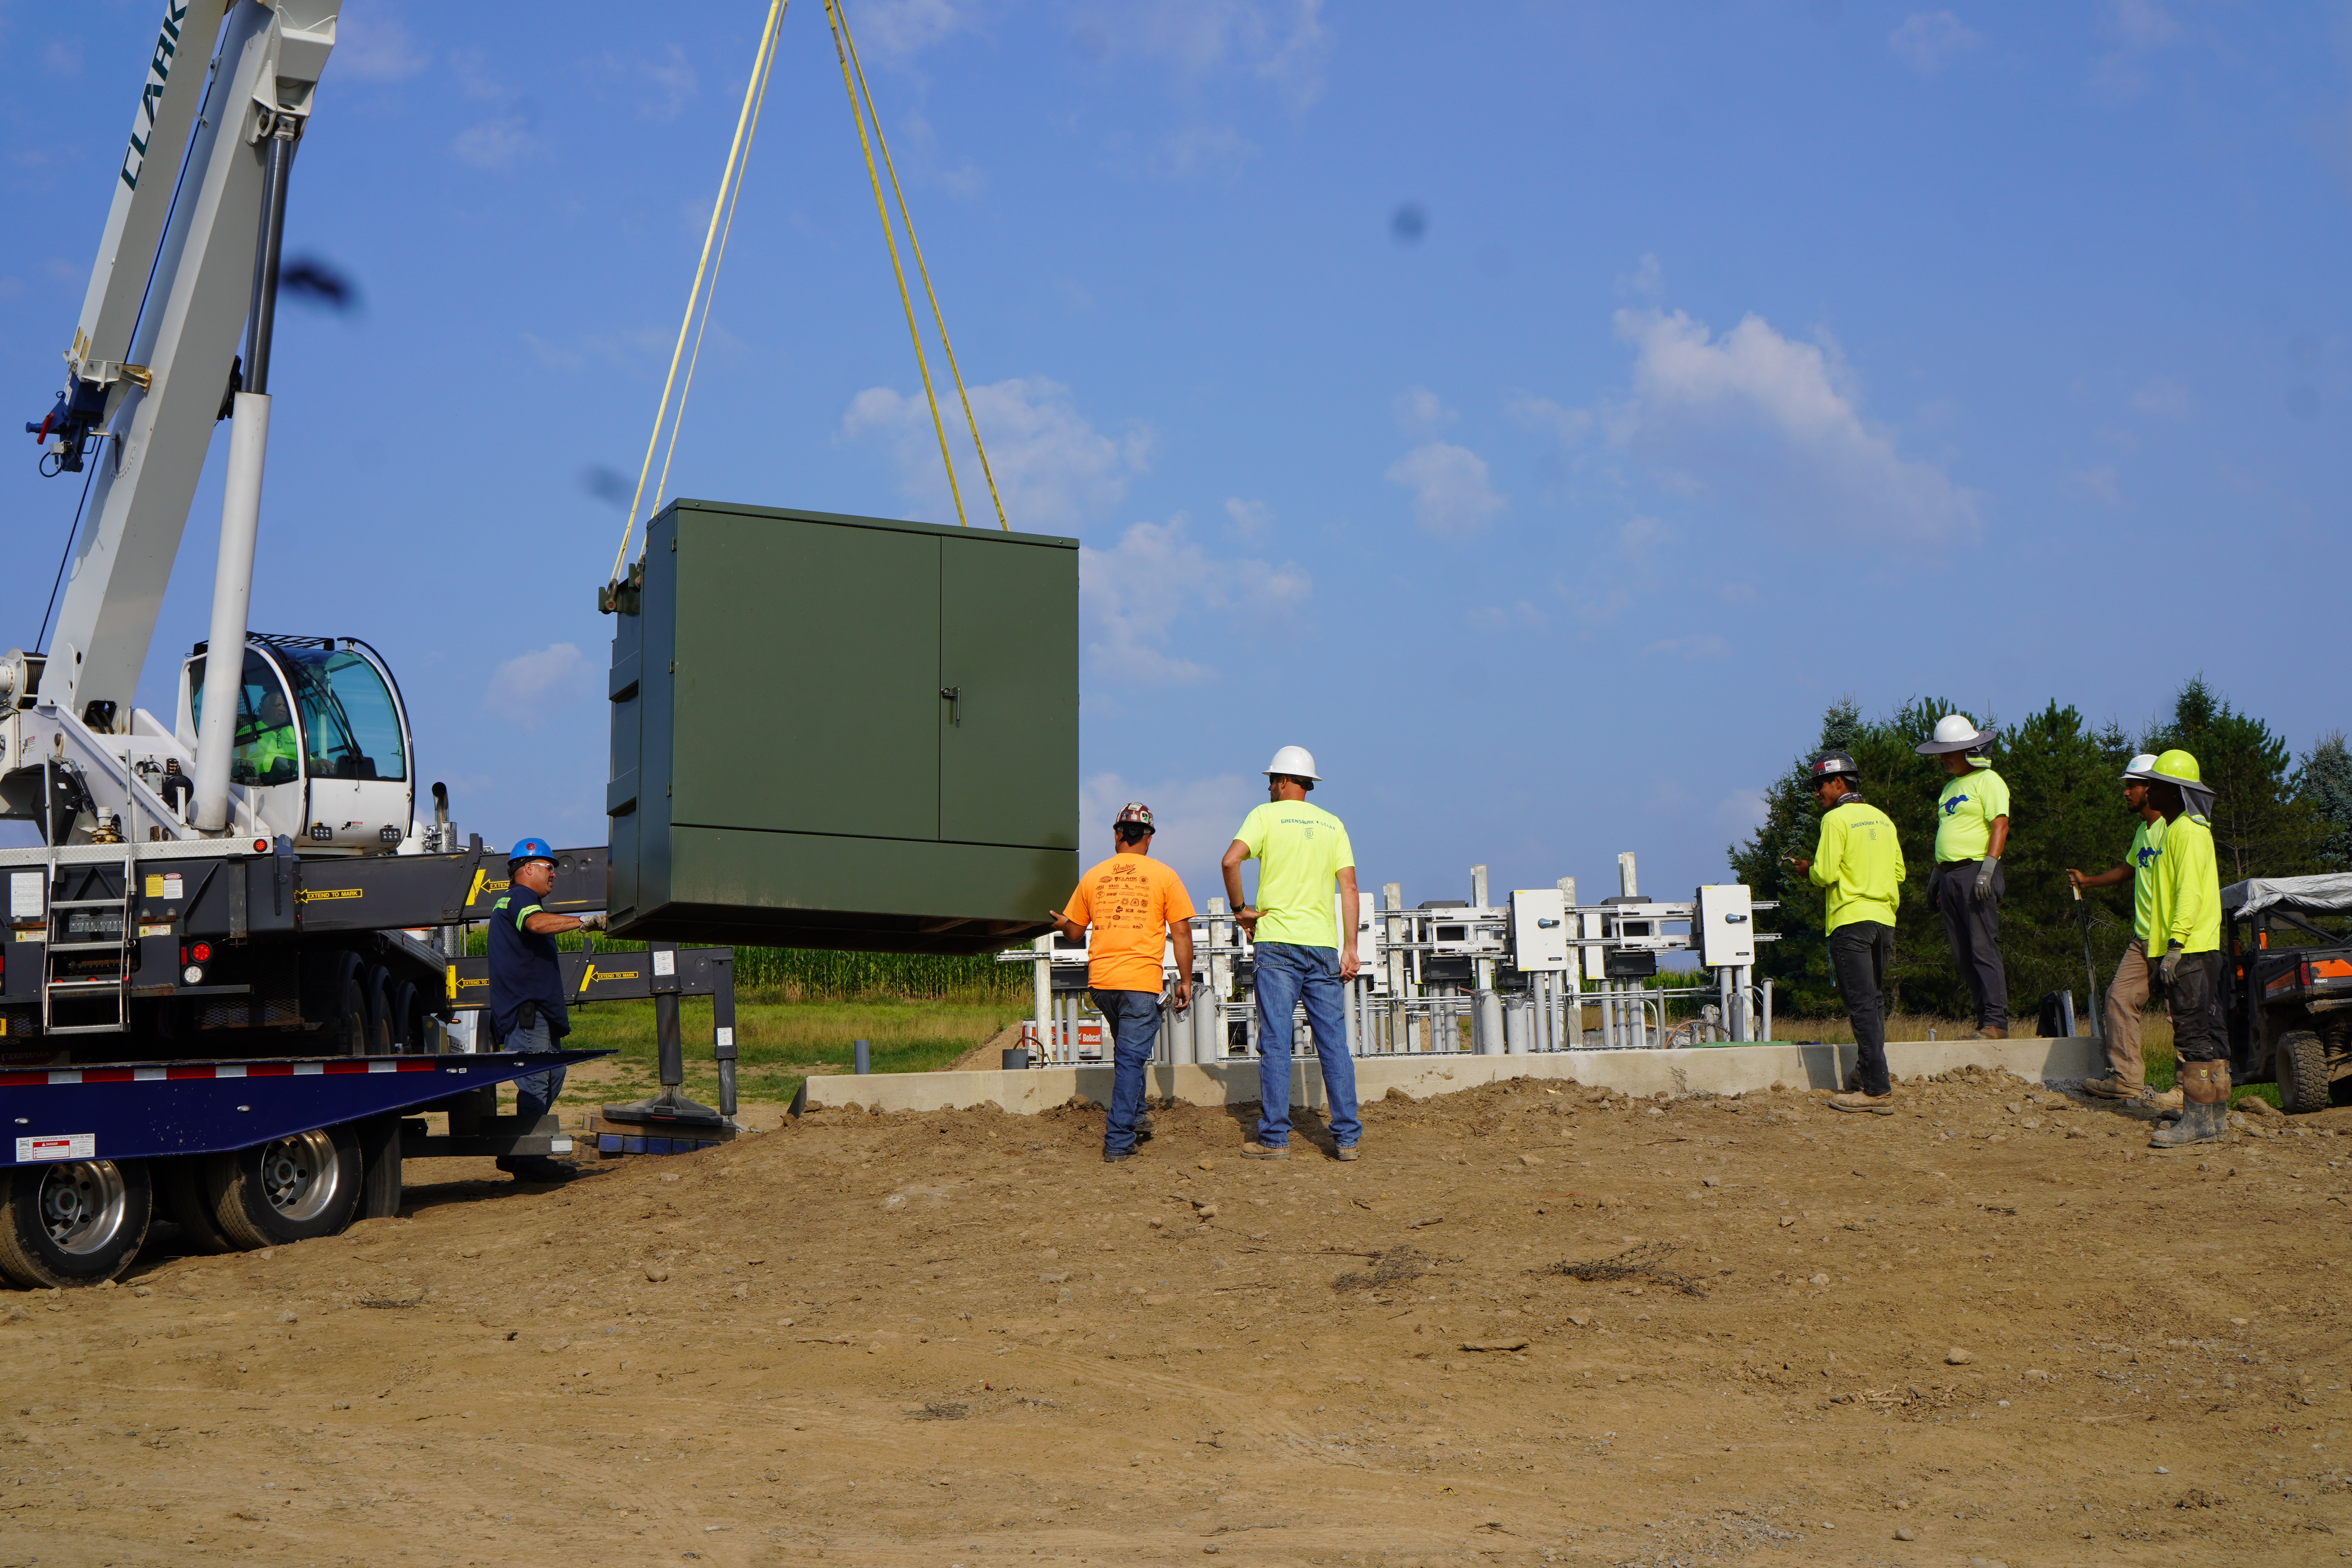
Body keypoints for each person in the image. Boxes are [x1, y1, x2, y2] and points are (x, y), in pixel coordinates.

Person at [1220, 746, 1362, 1161]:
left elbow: (1230, 862)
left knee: (1277, 1043)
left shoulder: (1264, 817)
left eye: (1271, 780)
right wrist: (1350, 946)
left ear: (1283, 781)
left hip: (1277, 942)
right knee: (1334, 1043)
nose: (1268, 786)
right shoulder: (1334, 825)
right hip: (1322, 945)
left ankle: (1275, 1139)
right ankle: (1347, 1138)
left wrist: (1239, 910)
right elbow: (1349, 888)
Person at [1050, 803, 1196, 1163]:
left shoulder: (1094, 876)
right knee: (1130, 1060)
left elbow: (1073, 932)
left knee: (1129, 1055)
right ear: (1148, 838)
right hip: (1140, 984)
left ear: (1117, 835)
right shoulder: (1165, 876)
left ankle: (1137, 1117)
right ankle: (1118, 1141)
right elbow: (1181, 933)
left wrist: (1060, 923)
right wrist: (1187, 981)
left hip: (1102, 984)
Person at [1788, 750, 1907, 1114]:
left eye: (1819, 785)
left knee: (1861, 1005)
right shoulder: (1883, 820)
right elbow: (1899, 873)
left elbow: (1824, 874)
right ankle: (1865, 1073)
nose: (1816, 794)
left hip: (1850, 921)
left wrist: (1806, 868)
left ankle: (1876, 1090)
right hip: (1883, 921)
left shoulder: (1836, 820)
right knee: (1874, 1003)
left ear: (1838, 782)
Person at [2066, 755, 2181, 1110]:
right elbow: (2127, 870)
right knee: (2118, 999)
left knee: (2181, 1011)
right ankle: (2126, 1079)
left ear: (2152, 788)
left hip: (2173, 939)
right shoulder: (2142, 832)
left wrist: (2181, 936)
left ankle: (2186, 1087)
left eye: (2132, 786)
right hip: (2143, 937)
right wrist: (2089, 881)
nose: (2126, 793)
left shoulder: (2173, 828)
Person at [488, 836, 606, 1182]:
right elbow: (536, 924)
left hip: (537, 1012)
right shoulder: (520, 898)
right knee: (537, 1082)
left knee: (551, 1076)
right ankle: (529, 1160)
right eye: (548, 867)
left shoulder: (516, 900)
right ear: (527, 869)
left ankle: (520, 1152)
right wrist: (587, 921)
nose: (554, 874)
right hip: (528, 1013)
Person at [2141, 752, 2230, 1149]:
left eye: (2156, 785)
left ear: (2177, 791)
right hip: (2199, 948)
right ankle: (2214, 1117)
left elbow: (2189, 893)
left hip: (2190, 951)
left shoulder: (2186, 832)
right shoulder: (2185, 828)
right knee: (2211, 1033)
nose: (2148, 790)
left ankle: (2197, 1121)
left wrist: (2175, 945)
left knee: (2194, 1036)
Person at [1916, 713, 2010, 1039]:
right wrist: (1935, 876)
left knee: (1983, 947)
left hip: (1976, 871)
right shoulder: (1949, 789)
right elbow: (1948, 831)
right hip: (1950, 875)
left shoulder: (1989, 781)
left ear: (1968, 750)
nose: (1943, 759)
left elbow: (2000, 824)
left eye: (1949, 752)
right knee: (1963, 952)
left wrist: (1988, 868)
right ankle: (1983, 1019)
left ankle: (1996, 1023)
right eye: (1940, 753)